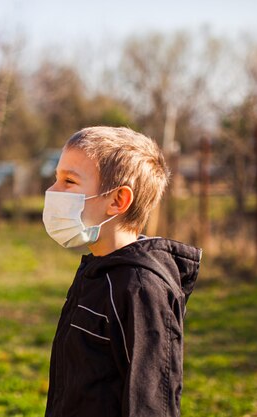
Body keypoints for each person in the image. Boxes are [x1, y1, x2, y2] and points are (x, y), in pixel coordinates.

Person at [42, 126, 201, 416]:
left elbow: (150, 402)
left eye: (69, 181)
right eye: (56, 178)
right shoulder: (98, 270)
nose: (52, 191)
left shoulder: (141, 288)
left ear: (117, 201)